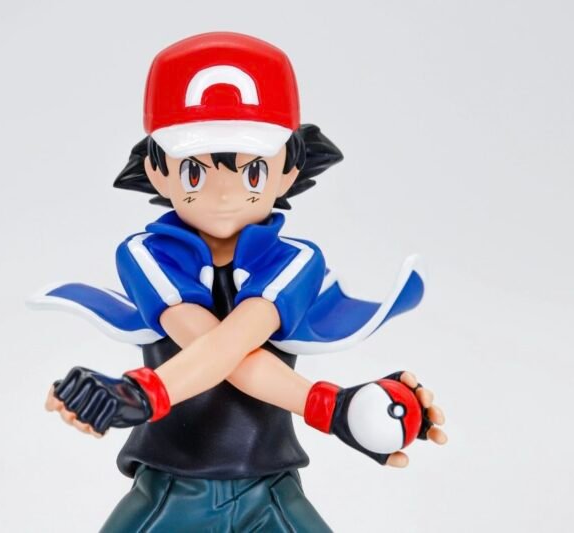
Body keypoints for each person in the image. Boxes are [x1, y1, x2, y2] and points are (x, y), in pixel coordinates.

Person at [31, 32, 447, 532]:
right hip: (171, 486)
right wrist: (335, 408)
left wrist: (140, 395)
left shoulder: (295, 259)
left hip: (269, 487)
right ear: (156, 171)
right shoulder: (147, 254)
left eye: (252, 174)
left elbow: (233, 347)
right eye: (194, 172)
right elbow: (212, 346)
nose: (224, 194)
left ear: (289, 170)